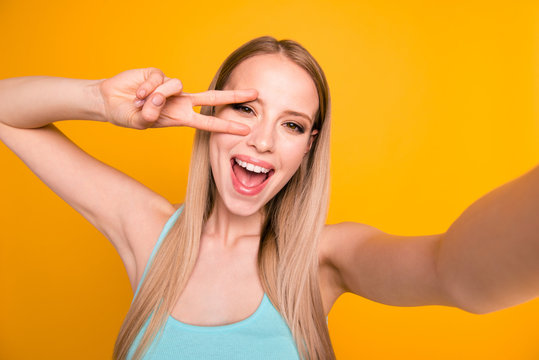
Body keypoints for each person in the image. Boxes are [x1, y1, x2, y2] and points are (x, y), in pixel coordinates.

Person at [0, 36, 538, 360]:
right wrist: (100, 100)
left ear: (309, 148)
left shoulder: (323, 260)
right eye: (246, 109)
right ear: (207, 116)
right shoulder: (149, 232)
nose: (261, 141)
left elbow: (455, 274)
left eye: (292, 124)